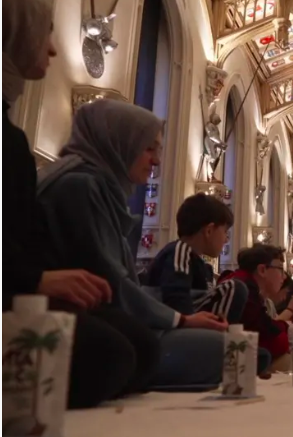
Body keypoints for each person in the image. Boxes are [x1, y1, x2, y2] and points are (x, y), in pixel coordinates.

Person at [36, 99, 269, 388]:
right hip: (86, 324)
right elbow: (112, 284)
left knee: (243, 352)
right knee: (240, 353)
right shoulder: (80, 187)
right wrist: (181, 320)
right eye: (149, 148)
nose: (156, 161)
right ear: (118, 142)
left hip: (123, 320)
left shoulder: (102, 192)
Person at [3, 0, 159, 409]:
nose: (53, 48)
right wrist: (34, 280)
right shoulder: (78, 185)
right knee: (113, 352)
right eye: (44, 33)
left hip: (19, 288)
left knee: (132, 346)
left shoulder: (12, 137)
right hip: (16, 292)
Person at [146, 193, 247, 322]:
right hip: (176, 326)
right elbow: (176, 296)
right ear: (209, 231)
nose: (226, 239)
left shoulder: (203, 266)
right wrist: (188, 321)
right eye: (225, 232)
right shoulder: (180, 250)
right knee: (233, 288)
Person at [219, 245, 293, 373]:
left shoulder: (246, 287)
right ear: (262, 270)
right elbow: (266, 336)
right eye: (280, 269)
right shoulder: (242, 289)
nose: (284, 277)